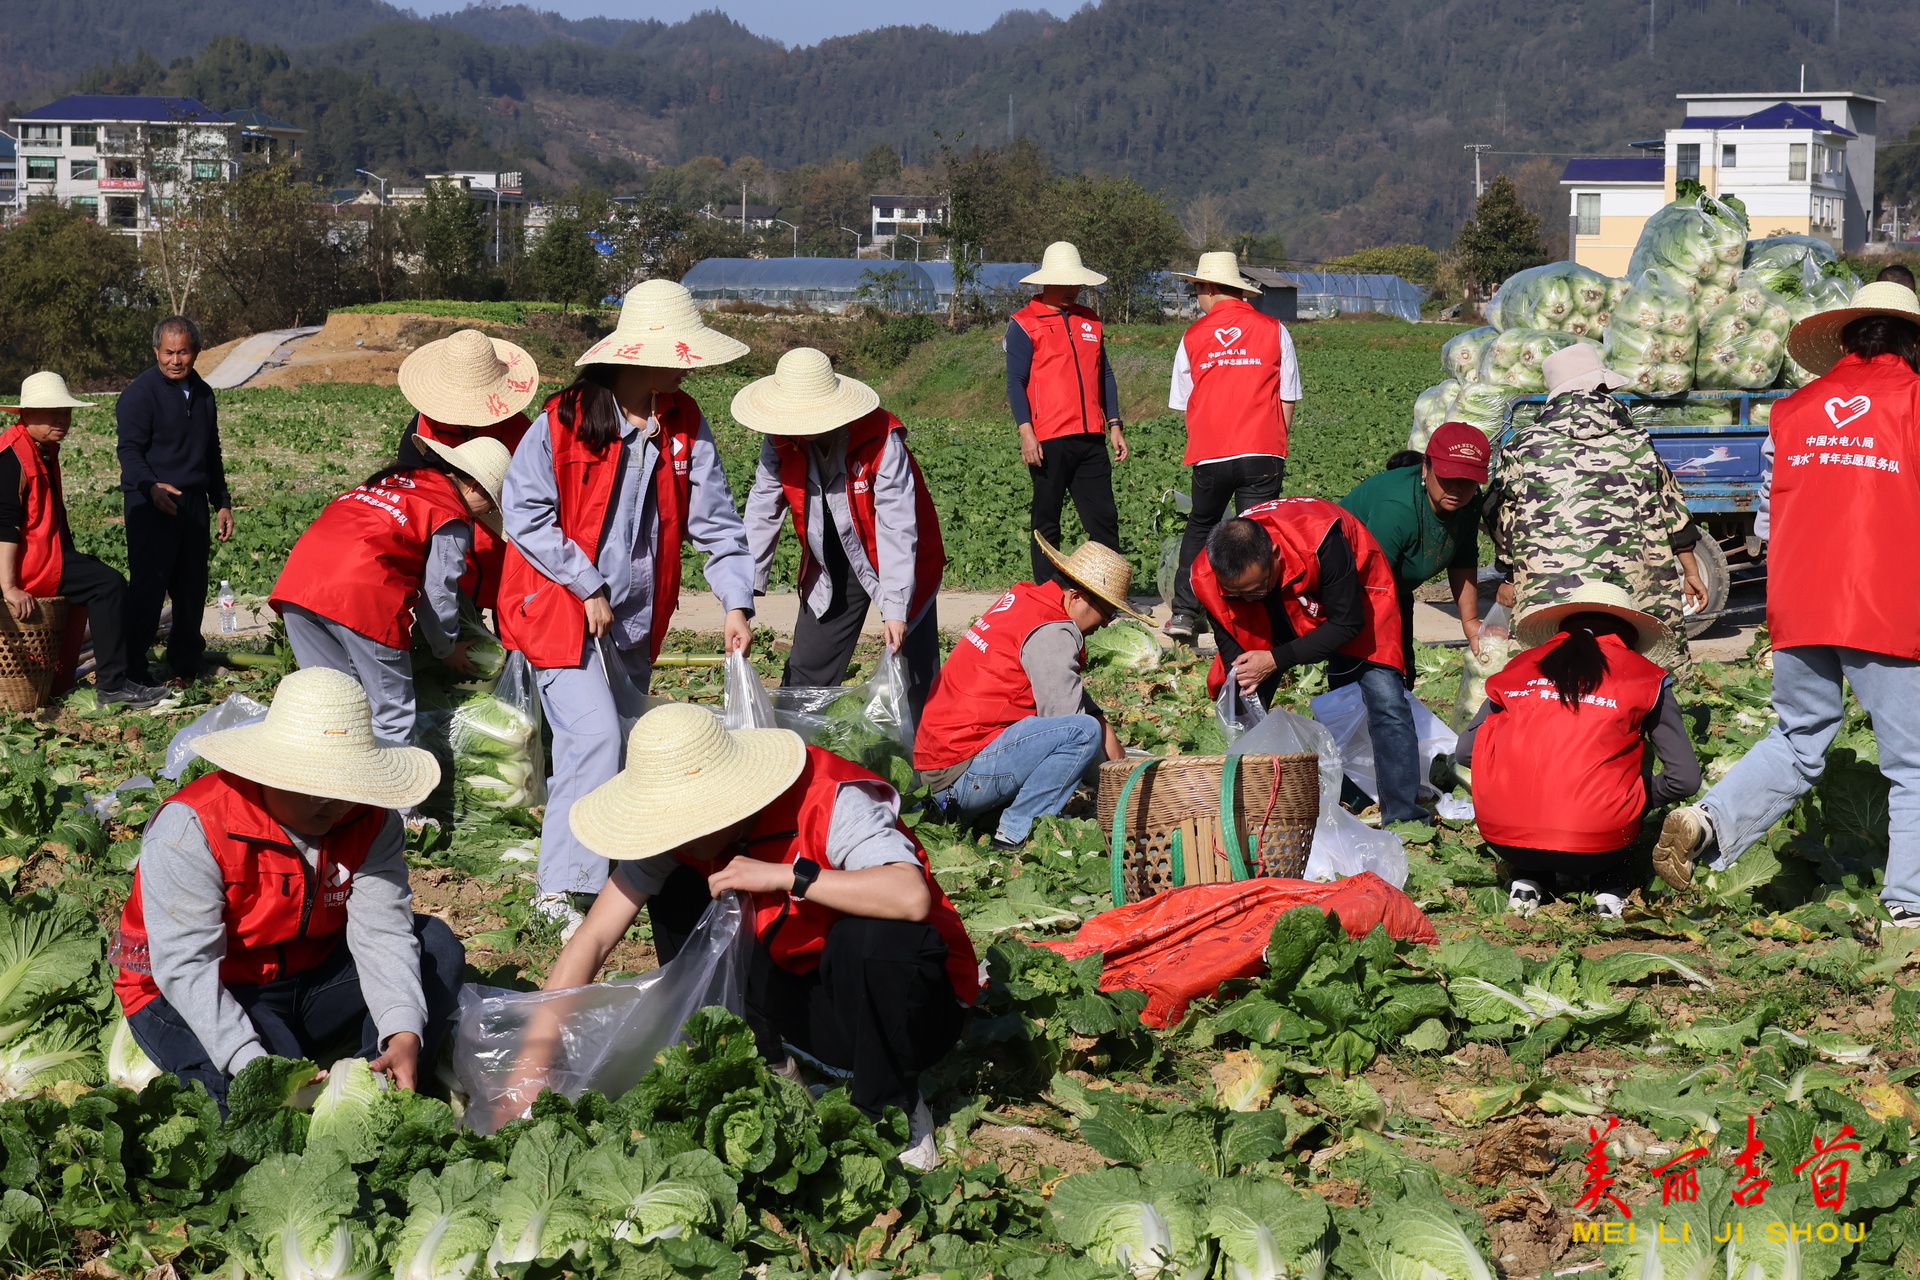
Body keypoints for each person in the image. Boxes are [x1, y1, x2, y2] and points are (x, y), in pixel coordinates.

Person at [528, 702, 978, 1170]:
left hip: (912, 1011)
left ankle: (892, 1104)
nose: (673, 836)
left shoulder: (831, 799)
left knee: (873, 935)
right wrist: (531, 1063)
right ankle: (770, 1068)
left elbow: (909, 897)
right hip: (813, 1005)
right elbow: (596, 937)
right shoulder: (680, 836)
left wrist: (789, 876)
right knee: (681, 893)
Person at [1655, 281, 1920, 922]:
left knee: (1801, 738)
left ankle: (1706, 820)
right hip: (1887, 605)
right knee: (1913, 763)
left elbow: (1772, 526)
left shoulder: (1795, 411)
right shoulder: (1914, 402)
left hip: (1800, 605)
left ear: (1846, 340)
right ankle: (1910, 906)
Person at [498, 280, 755, 925]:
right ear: (637, 356)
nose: (684, 363)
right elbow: (525, 514)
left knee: (621, 742)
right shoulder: (564, 420)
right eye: (677, 352)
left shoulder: (684, 423)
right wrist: (584, 584)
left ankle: (609, 862)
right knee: (594, 736)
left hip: (638, 616)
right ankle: (560, 887)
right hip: (559, 606)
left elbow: (717, 522)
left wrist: (736, 602)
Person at [110, 666, 463, 1111]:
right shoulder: (193, 828)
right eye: (314, 787)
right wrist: (253, 1063)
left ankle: (380, 1084)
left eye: (346, 786)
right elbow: (187, 967)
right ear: (271, 770)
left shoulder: (371, 820)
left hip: (309, 977)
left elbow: (383, 930)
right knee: (260, 1104)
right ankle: (297, 1076)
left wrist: (404, 1029)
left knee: (434, 946)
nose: (333, 804)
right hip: (205, 986)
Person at [1456, 582, 1701, 918]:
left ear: (1562, 628)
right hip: (1599, 844)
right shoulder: (1647, 677)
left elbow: (1466, 753)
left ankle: (1528, 878)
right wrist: (1632, 798)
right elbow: (1684, 780)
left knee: (1538, 787)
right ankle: (1610, 888)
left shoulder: (1518, 669)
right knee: (1620, 782)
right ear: (1630, 635)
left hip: (1503, 837)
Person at [269, 435, 510, 746]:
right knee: (391, 719)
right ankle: (387, 791)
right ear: (475, 487)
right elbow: (438, 591)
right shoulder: (449, 512)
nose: (483, 514)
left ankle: (330, 790)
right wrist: (446, 648)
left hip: (299, 585)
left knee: (331, 705)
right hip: (363, 597)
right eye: (490, 503)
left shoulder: (400, 480)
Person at [739, 348, 946, 709]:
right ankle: (792, 754)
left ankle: (925, 759)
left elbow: (897, 527)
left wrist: (896, 609)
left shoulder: (881, 439)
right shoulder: (780, 438)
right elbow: (762, 509)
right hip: (831, 562)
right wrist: (740, 600)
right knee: (805, 676)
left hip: (900, 562)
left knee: (914, 677)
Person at [1189, 499, 1415, 822]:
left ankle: (1405, 817)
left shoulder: (1323, 541)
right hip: (1279, 603)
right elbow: (1233, 653)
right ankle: (1251, 811)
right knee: (1243, 704)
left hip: (1351, 598)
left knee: (1385, 698)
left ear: (1275, 557)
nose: (1248, 598)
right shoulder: (1208, 575)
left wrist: (1276, 659)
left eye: (1255, 589)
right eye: (1237, 594)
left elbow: (1347, 622)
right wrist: (1249, 680)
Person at [1483, 343, 1705, 670]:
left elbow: (1502, 516)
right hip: (1632, 586)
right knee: (1631, 666)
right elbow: (1672, 511)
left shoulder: (1523, 445)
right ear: (1600, 389)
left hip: (1551, 589)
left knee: (1555, 671)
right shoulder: (1636, 441)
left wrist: (1509, 574)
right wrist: (1692, 570)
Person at [915, 537, 1139, 849]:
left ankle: (996, 814)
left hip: (939, 767)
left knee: (1090, 726)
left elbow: (1057, 683)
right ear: (1077, 597)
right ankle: (1014, 834)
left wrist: (1101, 719)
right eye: (1107, 612)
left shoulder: (1027, 600)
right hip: (959, 778)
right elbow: (1071, 726)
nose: (1104, 625)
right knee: (1083, 732)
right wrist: (1117, 784)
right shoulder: (1054, 631)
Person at [0, 373, 169, 710]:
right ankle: (114, 684)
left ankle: (115, 676)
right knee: (108, 584)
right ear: (27, 414)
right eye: (54, 414)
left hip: (48, 555)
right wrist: (9, 586)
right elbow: (5, 525)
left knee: (102, 578)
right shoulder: (11, 457)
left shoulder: (40, 448)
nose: (63, 421)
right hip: (32, 564)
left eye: (66, 413)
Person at [1163, 251, 1302, 644]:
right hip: (1263, 450)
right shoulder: (1274, 329)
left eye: (1196, 290)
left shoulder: (1192, 336)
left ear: (1208, 288)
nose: (1196, 298)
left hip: (1210, 453)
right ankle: (1260, 617)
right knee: (1257, 533)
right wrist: (1275, 443)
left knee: (1201, 526)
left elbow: (1183, 401)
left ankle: (1185, 613)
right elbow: (1288, 397)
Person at [117, 315, 234, 684]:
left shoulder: (203, 393)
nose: (175, 360)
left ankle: (185, 659)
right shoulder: (139, 395)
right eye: (168, 352)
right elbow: (130, 452)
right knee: (149, 587)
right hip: (150, 502)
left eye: (183, 352)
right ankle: (133, 669)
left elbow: (211, 452)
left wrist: (222, 502)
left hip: (193, 503)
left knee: (191, 587)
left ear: (196, 352)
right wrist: (151, 487)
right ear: (156, 350)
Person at [390, 329, 540, 613]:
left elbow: (536, 496)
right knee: (449, 620)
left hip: (504, 553)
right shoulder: (423, 429)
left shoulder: (521, 431)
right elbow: (410, 492)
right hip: (444, 552)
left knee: (511, 625)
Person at [1006, 241, 1129, 584]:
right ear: (1047, 282)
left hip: (1091, 436)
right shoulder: (1024, 323)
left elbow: (1104, 374)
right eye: (1065, 283)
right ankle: (1047, 593)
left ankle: (1106, 592)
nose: (1073, 289)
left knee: (1103, 517)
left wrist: (1115, 423)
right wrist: (1026, 432)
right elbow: (1016, 382)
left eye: (1076, 283)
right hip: (1048, 438)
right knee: (1047, 518)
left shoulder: (1091, 321)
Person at [1341, 422, 1492, 664]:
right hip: (1355, 591)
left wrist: (1470, 621)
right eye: (1448, 476)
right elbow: (1372, 584)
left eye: (1468, 480)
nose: (1457, 488)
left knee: (1403, 671)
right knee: (1375, 677)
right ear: (1425, 467)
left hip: (1396, 588)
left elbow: (1463, 556)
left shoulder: (1469, 501)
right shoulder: (1397, 508)